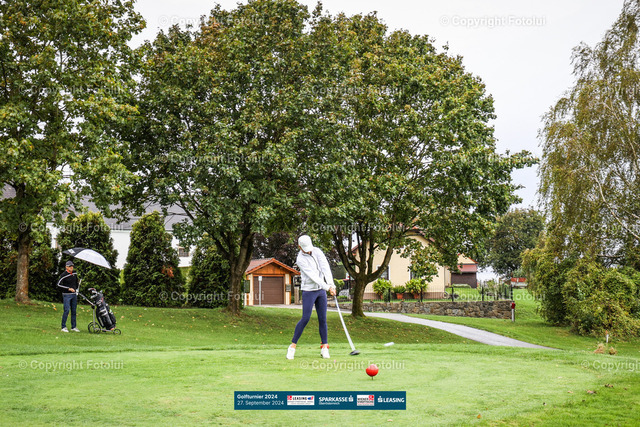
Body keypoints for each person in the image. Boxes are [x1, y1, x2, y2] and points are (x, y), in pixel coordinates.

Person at [287, 235, 336, 360]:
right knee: (305, 318)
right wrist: (327, 287)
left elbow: (325, 268)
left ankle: (325, 347)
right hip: (309, 291)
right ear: (300, 247)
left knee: (323, 319)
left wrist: (332, 285)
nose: (308, 251)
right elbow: (313, 276)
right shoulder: (300, 259)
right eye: (305, 249)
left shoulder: (317, 251)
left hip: (321, 291)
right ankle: (292, 347)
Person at [56, 260, 80, 332]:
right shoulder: (63, 275)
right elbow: (58, 285)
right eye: (70, 266)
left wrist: (77, 288)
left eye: (72, 266)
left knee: (74, 311)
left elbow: (76, 283)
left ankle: (73, 327)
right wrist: (68, 289)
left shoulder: (74, 274)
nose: (71, 267)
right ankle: (63, 326)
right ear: (66, 267)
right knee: (66, 310)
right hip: (66, 295)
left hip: (74, 295)